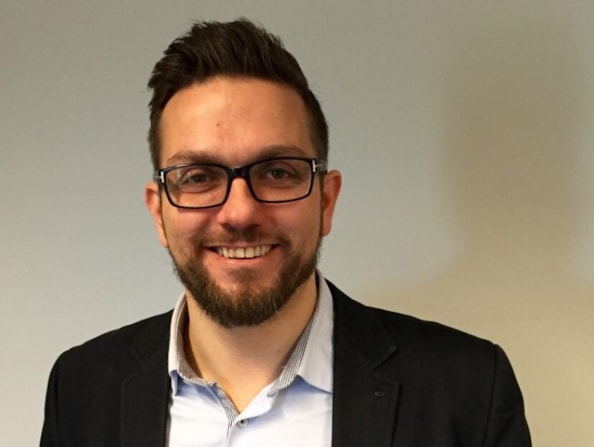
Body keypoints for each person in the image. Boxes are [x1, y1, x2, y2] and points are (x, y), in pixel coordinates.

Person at [40, 19, 531, 447]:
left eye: (277, 172)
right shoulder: (81, 390)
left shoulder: (468, 391)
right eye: (199, 177)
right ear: (159, 212)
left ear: (326, 201)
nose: (239, 213)